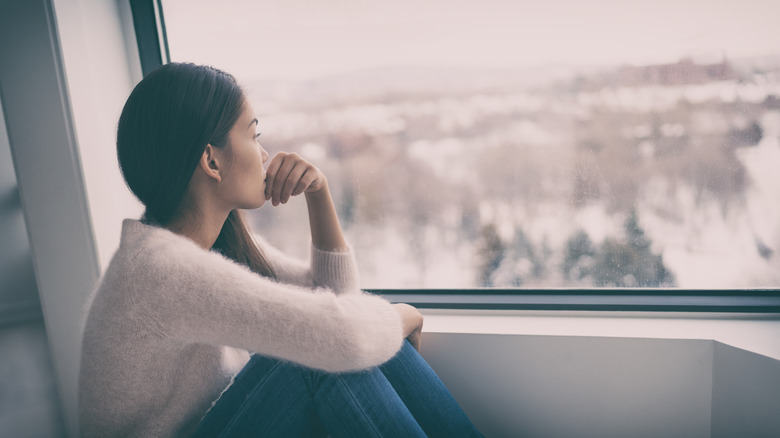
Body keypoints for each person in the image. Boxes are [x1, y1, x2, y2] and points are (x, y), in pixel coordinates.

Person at [78, 62, 483, 437]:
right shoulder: (159, 270)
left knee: (346, 341)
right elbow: (342, 338)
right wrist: (403, 316)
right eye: (254, 136)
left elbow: (335, 303)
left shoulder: (207, 245)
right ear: (211, 161)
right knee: (320, 353)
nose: (264, 153)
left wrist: (319, 194)